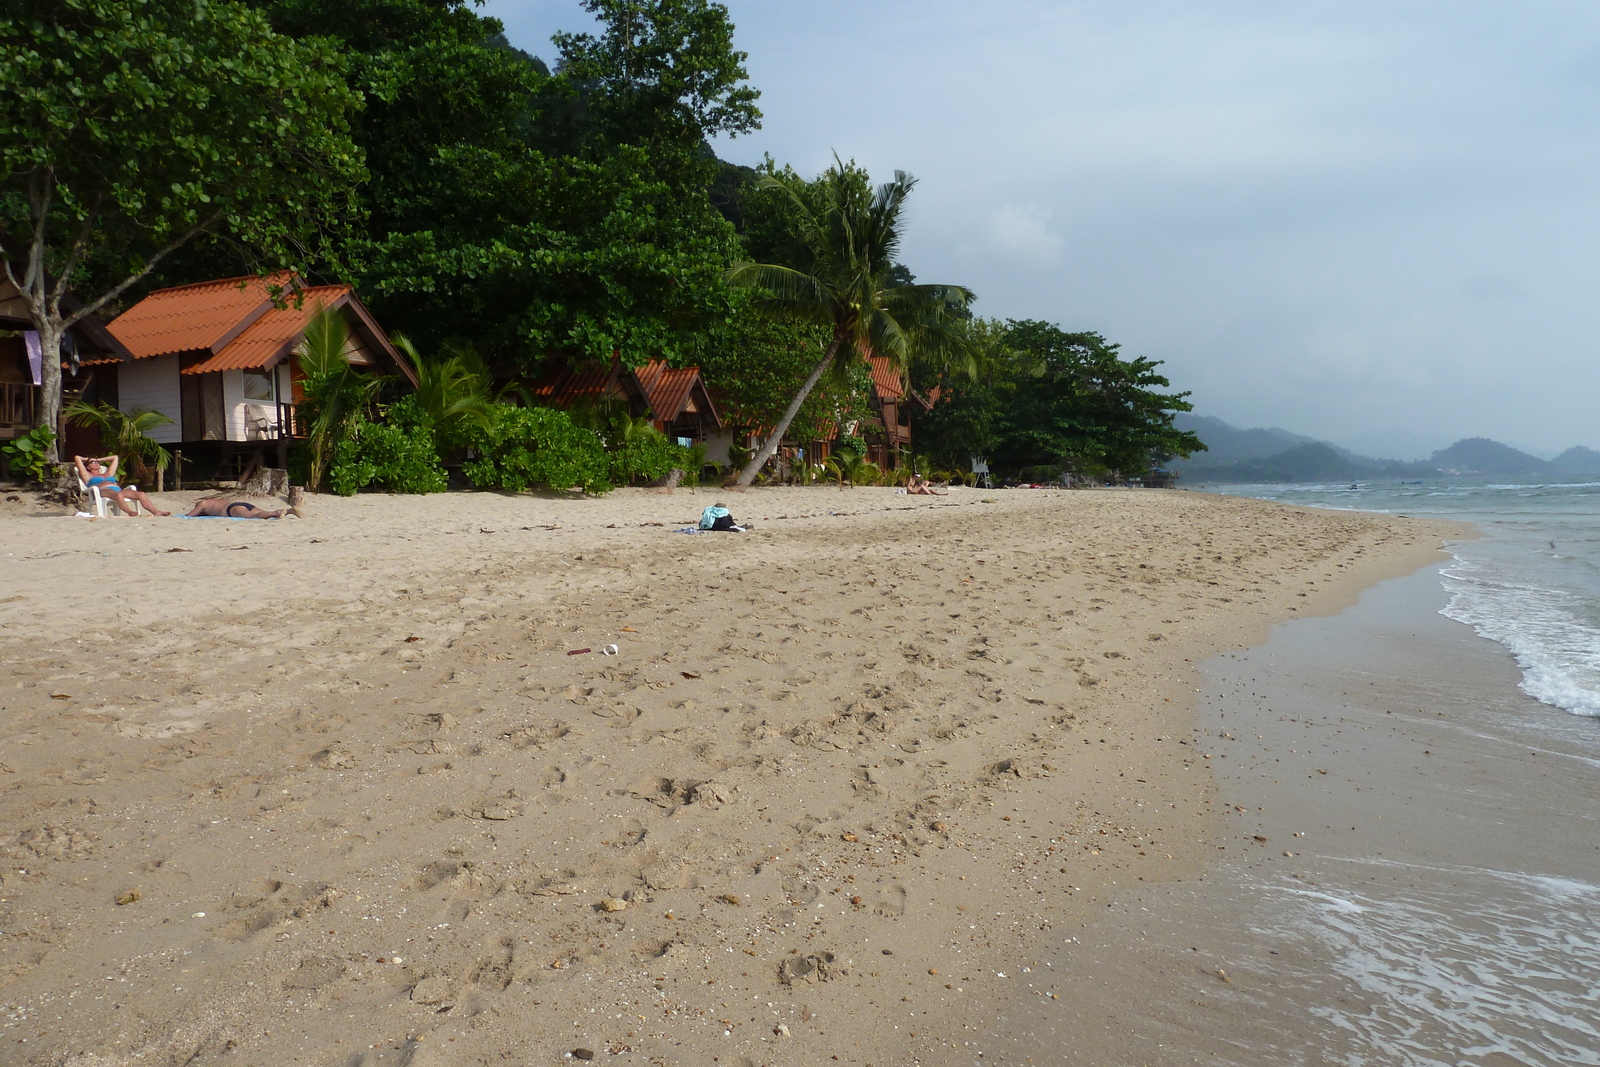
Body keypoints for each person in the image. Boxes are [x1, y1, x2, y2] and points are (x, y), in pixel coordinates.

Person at [72, 455, 170, 516]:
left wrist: (97, 460)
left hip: (118, 490)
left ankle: (156, 512)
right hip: (102, 491)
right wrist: (87, 459)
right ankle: (130, 512)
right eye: (93, 462)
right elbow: (77, 457)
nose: (96, 463)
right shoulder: (87, 475)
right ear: (87, 466)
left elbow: (115, 457)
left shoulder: (107, 473)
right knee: (119, 495)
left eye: (97, 462)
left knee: (141, 494)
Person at [184, 497, 301, 520]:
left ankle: (276, 513)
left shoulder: (202, 503)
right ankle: (290, 511)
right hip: (240, 503)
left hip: (231, 509)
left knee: (254, 516)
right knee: (262, 512)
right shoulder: (214, 501)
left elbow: (190, 515)